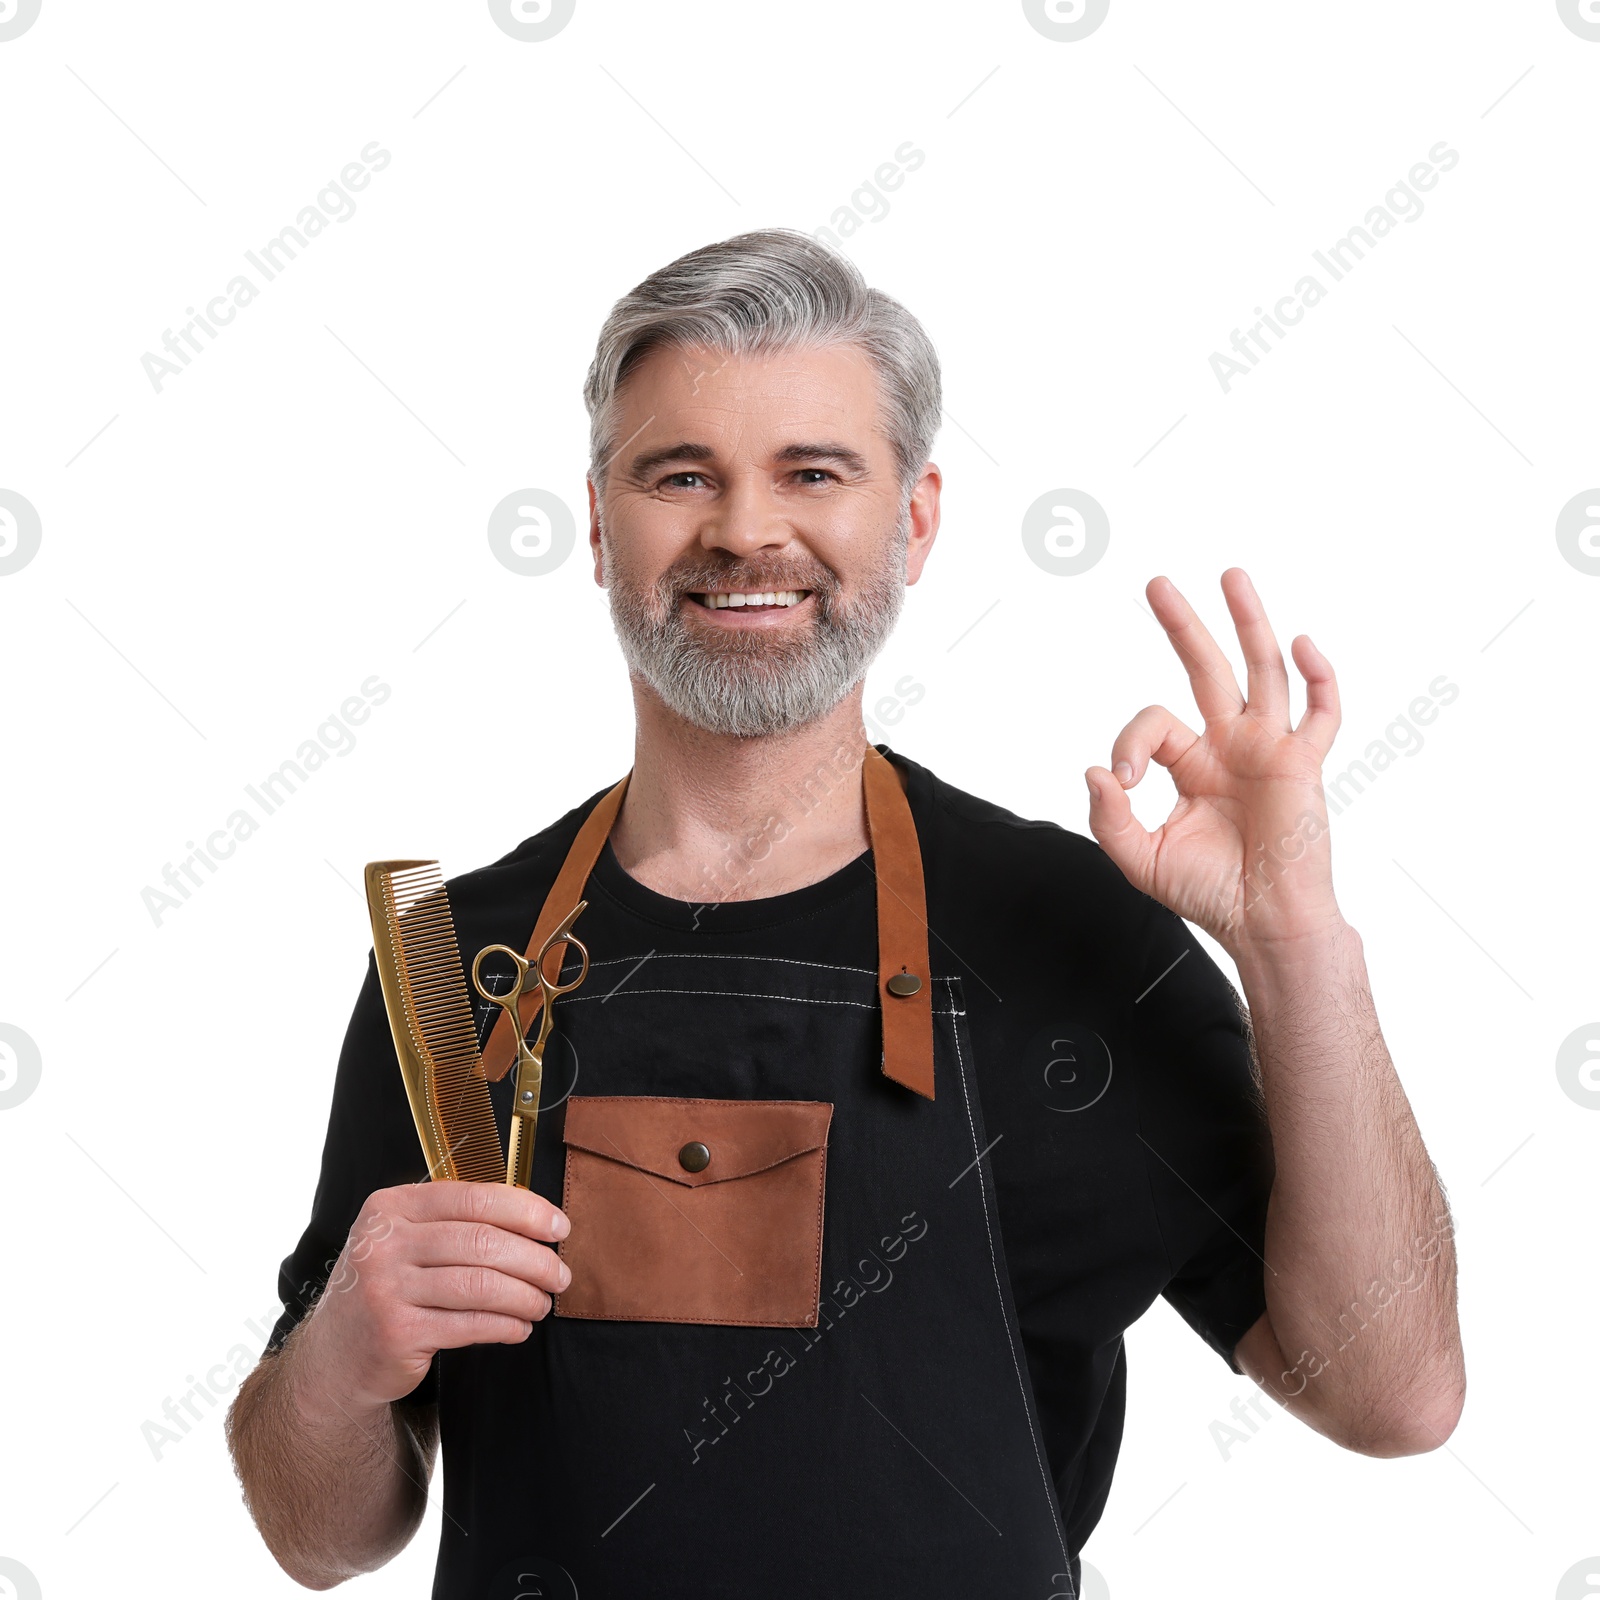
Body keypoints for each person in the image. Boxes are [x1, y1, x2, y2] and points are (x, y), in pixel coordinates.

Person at [225, 228, 1465, 1598]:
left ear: (915, 520)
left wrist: (1296, 939)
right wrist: (337, 1357)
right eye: (678, 473)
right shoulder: (456, 965)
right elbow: (319, 1535)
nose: (746, 529)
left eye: (813, 472)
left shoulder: (1070, 938)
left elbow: (1390, 1398)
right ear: (595, 522)